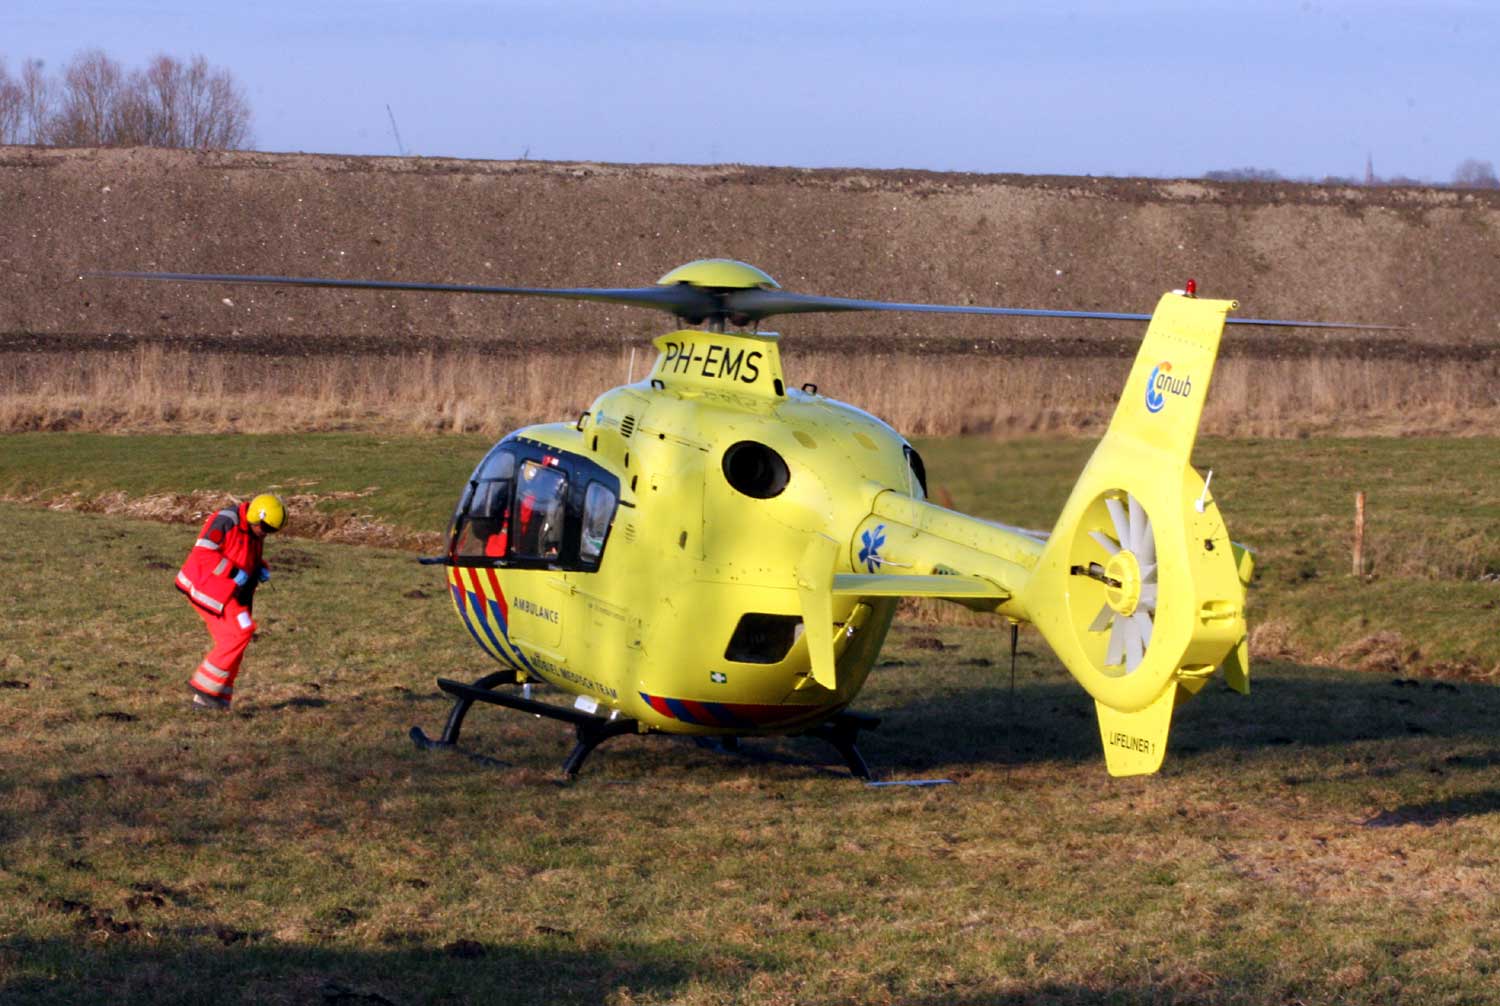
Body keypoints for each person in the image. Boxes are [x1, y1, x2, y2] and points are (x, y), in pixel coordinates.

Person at [175, 493, 286, 711]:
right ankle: (204, 688)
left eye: (272, 531)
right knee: (243, 630)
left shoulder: (255, 530)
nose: (267, 534)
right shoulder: (227, 521)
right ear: (256, 517)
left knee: (235, 642)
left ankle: (216, 700)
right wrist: (234, 572)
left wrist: (259, 567)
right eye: (266, 528)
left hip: (229, 592)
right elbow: (203, 553)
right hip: (209, 588)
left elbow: (242, 552)